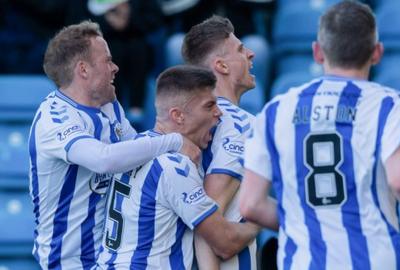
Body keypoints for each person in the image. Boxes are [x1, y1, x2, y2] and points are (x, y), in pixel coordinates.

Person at [238, 1, 400, 270]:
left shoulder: (276, 110)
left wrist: (309, 222)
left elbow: (250, 205)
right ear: (377, 53)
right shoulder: (391, 105)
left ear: (318, 53)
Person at [28, 21, 198, 269]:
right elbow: (104, 159)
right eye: (107, 61)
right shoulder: (55, 118)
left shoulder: (108, 106)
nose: (115, 67)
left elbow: (134, 149)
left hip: (112, 258)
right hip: (70, 264)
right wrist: (174, 140)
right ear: (83, 70)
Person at [96, 65, 258, 269]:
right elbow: (224, 242)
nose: (219, 113)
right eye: (209, 106)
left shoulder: (134, 147)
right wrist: (258, 218)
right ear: (178, 115)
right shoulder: (174, 166)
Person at [182, 15, 259, 269]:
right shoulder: (239, 124)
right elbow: (209, 222)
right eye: (240, 49)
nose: (251, 54)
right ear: (222, 66)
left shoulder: (182, 123)